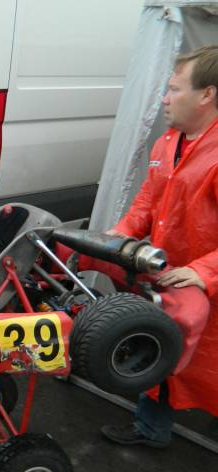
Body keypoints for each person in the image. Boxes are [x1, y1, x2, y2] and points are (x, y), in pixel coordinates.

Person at [101, 45, 218, 448]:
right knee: (166, 351)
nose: (164, 99)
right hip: (174, 276)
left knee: (205, 364)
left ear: (207, 95)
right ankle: (150, 430)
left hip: (202, 280)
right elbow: (147, 204)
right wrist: (118, 235)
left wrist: (203, 272)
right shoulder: (168, 143)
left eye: (174, 89)